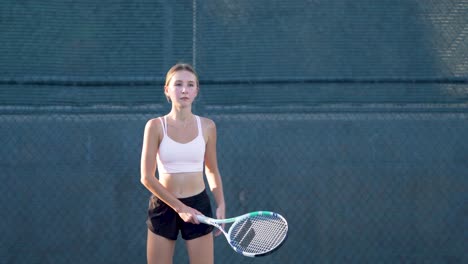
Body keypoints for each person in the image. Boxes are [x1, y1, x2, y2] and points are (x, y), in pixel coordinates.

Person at [140, 63, 226, 264]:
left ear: (197, 91)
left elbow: (211, 169)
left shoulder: (207, 126)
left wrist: (221, 203)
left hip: (198, 206)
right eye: (178, 84)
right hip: (164, 205)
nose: (184, 90)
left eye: (190, 85)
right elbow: (146, 177)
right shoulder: (155, 126)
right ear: (167, 90)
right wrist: (179, 208)